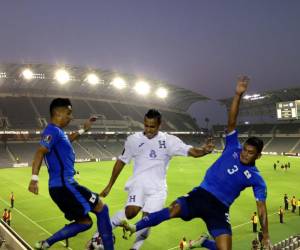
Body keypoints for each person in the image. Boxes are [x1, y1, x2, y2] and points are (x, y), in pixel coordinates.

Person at [122, 76, 271, 250]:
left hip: (220, 208)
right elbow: (232, 121)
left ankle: (203, 242)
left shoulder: (257, 179)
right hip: (201, 194)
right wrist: (237, 95)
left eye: (250, 153)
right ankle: (135, 227)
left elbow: (261, 208)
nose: (244, 154)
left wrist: (266, 235)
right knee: (174, 209)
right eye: (245, 149)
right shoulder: (233, 147)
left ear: (258, 156)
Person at [99, 109, 214, 250]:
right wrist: (109, 185)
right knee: (130, 213)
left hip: (157, 189)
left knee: (148, 221)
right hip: (139, 184)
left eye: (152, 126)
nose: (148, 129)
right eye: (146, 125)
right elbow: (121, 161)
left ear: (160, 125)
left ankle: (134, 248)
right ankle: (98, 236)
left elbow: (192, 152)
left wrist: (204, 150)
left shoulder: (169, 141)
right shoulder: (133, 139)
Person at [28, 98, 114, 250]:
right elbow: (40, 151)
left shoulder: (58, 133)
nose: (71, 117)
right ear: (58, 113)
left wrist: (83, 129)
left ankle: (46, 243)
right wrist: (34, 178)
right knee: (102, 208)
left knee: (85, 222)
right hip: (66, 185)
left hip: (59, 188)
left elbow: (66, 140)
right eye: (68, 113)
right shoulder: (52, 130)